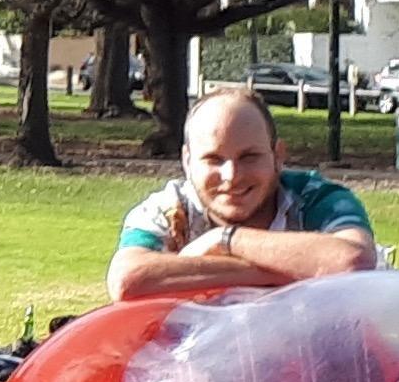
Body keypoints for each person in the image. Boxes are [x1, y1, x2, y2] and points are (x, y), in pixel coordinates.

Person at [107, 87, 384, 302]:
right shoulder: (168, 209)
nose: (232, 176)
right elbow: (127, 279)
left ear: (278, 156)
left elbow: (354, 262)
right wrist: (299, 269)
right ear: (186, 161)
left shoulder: (318, 199)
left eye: (249, 157)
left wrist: (225, 240)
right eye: (213, 159)